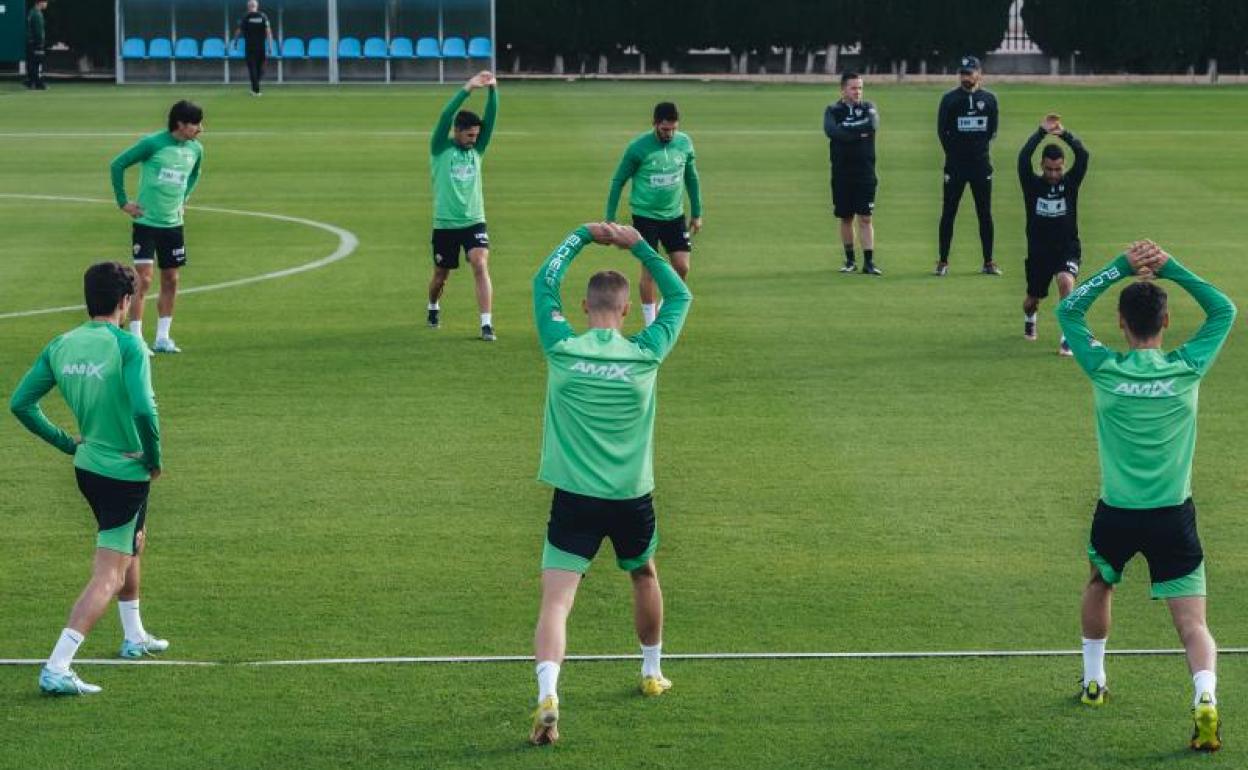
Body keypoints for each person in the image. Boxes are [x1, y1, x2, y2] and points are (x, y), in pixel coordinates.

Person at [1056, 240, 1236, 752]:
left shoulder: (1104, 368)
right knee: (1193, 625)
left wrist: (1120, 267)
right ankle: (1205, 699)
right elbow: (1224, 307)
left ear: (1120, 321)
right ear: (1166, 319)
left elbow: (1068, 307)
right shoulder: (1187, 367)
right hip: (1173, 516)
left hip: (1116, 512)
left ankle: (1094, 681)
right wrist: (1170, 266)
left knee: (1099, 582)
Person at [528, 222, 692, 746]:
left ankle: (548, 694)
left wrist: (579, 236)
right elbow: (680, 293)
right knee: (644, 575)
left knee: (556, 602)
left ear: (584, 307)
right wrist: (637, 244)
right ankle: (650, 672)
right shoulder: (646, 353)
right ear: (624, 310)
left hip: (573, 497)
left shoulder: (561, 347)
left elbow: (541, 284)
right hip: (630, 497)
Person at [10, 261, 167, 696]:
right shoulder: (127, 347)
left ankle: (134, 636)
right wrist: (153, 457)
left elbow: (21, 404)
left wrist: (67, 443)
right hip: (125, 469)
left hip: (89, 466)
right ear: (125, 301)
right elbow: (143, 410)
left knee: (133, 540)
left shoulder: (61, 345)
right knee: (109, 574)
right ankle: (58, 666)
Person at [110, 100, 205, 356]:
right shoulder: (152, 144)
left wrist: (184, 197)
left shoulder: (195, 149)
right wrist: (123, 202)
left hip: (173, 224)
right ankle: (137, 339)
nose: (200, 128)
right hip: (146, 223)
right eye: (195, 123)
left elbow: (195, 174)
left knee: (171, 279)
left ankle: (163, 337)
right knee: (144, 279)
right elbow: (117, 164)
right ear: (180, 124)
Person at [605, 102, 702, 326]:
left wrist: (697, 213)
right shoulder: (638, 148)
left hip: (674, 216)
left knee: (682, 267)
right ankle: (652, 323)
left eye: (673, 129)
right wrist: (609, 217)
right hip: (645, 216)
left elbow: (692, 178)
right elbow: (618, 180)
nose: (670, 134)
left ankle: (662, 307)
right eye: (665, 129)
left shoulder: (684, 144)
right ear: (655, 124)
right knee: (650, 268)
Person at [427, 71, 498, 341]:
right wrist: (468, 88)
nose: (474, 139)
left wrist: (493, 91)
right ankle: (433, 305)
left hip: (474, 221)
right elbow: (445, 115)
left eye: (476, 135)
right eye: (469, 135)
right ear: (456, 132)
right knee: (440, 277)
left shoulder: (477, 151)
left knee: (480, 263)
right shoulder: (439, 148)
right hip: (445, 224)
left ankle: (486, 324)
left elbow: (491, 121)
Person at [1018, 113, 1089, 354]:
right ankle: (1030, 319)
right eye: (1048, 169)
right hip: (1039, 252)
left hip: (1066, 247)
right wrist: (1041, 132)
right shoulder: (1032, 184)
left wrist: (1064, 134)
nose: (1053, 174)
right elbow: (1022, 157)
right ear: (1042, 166)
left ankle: (1067, 336)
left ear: (1063, 166)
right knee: (1031, 300)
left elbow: (1084, 155)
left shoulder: (1070, 183)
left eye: (1057, 169)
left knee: (1066, 282)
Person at [935, 55, 1000, 276]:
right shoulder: (949, 100)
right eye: (962, 73)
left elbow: (992, 131)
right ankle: (943, 262)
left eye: (969, 73)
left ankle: (989, 262)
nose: (965, 77)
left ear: (978, 74)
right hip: (955, 167)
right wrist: (955, 154)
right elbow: (942, 132)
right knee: (948, 213)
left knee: (985, 214)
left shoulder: (989, 100)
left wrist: (977, 151)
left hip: (981, 166)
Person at [824, 72, 881, 275]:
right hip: (841, 173)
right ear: (843, 90)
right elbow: (832, 132)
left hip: (865, 173)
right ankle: (850, 261)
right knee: (846, 217)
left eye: (860, 88)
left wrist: (847, 129)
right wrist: (858, 132)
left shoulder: (869, 107)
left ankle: (869, 262)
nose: (858, 92)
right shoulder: (832, 110)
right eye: (853, 88)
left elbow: (872, 125)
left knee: (865, 218)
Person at [230, 0, 275, 96]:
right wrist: (270, 46)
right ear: (257, 6)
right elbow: (268, 32)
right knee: (259, 69)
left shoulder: (245, 17)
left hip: (250, 48)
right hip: (261, 48)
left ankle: (255, 89)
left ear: (248, 7)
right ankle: (256, 90)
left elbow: (238, 31)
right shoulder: (263, 16)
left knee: (253, 69)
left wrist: (235, 42)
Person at [25, 0, 48, 90]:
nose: (46, 4)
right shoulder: (37, 14)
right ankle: (38, 83)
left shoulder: (31, 12)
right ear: (40, 2)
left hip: (31, 42)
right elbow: (39, 31)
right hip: (36, 43)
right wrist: (40, 42)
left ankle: (31, 82)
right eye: (45, 2)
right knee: (37, 63)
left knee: (32, 63)